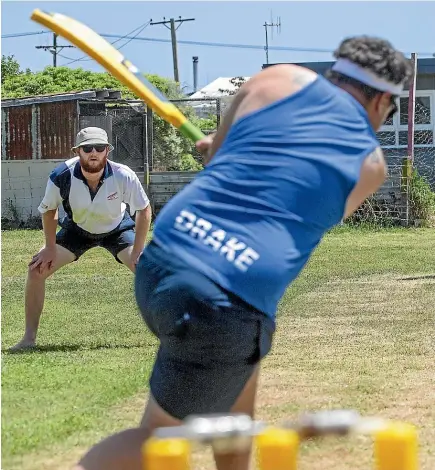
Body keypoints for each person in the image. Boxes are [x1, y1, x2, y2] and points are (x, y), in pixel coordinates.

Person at [74, 36, 412, 470]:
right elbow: (305, 202)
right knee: (160, 441)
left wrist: (215, 148)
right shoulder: (371, 165)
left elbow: (223, 155)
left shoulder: (276, 79)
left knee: (240, 385)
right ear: (384, 99)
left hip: (165, 257)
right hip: (224, 299)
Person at [10, 127, 152, 351]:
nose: (93, 152)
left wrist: (138, 250)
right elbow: (49, 210)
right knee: (36, 270)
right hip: (77, 230)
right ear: (77, 151)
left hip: (117, 229)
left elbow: (144, 210)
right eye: (87, 148)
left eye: (99, 147)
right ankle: (28, 339)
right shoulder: (61, 176)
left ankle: (176, 337)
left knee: (151, 270)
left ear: (108, 151)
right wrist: (48, 247)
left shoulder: (123, 174)